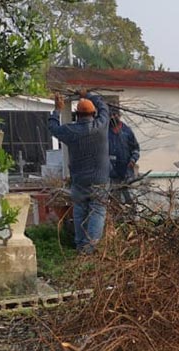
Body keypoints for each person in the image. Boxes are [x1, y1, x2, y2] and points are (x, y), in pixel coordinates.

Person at [48, 90, 110, 254]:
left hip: (79, 180)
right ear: (93, 114)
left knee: (80, 211)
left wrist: (57, 109)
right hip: (100, 179)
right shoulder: (101, 126)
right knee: (97, 211)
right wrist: (87, 94)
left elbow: (53, 127)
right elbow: (104, 107)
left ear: (76, 115)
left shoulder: (70, 131)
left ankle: (80, 246)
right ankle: (89, 248)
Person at [108, 110, 141, 204]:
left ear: (119, 115)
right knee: (114, 201)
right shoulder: (105, 132)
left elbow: (136, 149)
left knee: (129, 201)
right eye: (110, 115)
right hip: (111, 174)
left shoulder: (127, 131)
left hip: (126, 174)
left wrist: (132, 160)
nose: (112, 117)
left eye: (114, 115)